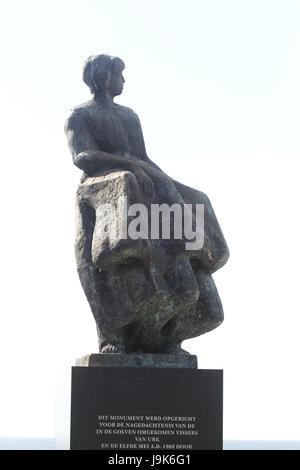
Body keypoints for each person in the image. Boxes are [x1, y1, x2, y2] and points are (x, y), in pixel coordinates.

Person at [65, 54, 229, 354]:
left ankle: (195, 254)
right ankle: (129, 247)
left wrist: (167, 182)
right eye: (119, 75)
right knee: (127, 180)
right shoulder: (80, 115)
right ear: (104, 78)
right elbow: (83, 158)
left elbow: (143, 157)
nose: (123, 81)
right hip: (103, 182)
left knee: (197, 198)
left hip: (137, 176)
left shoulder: (129, 115)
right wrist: (129, 167)